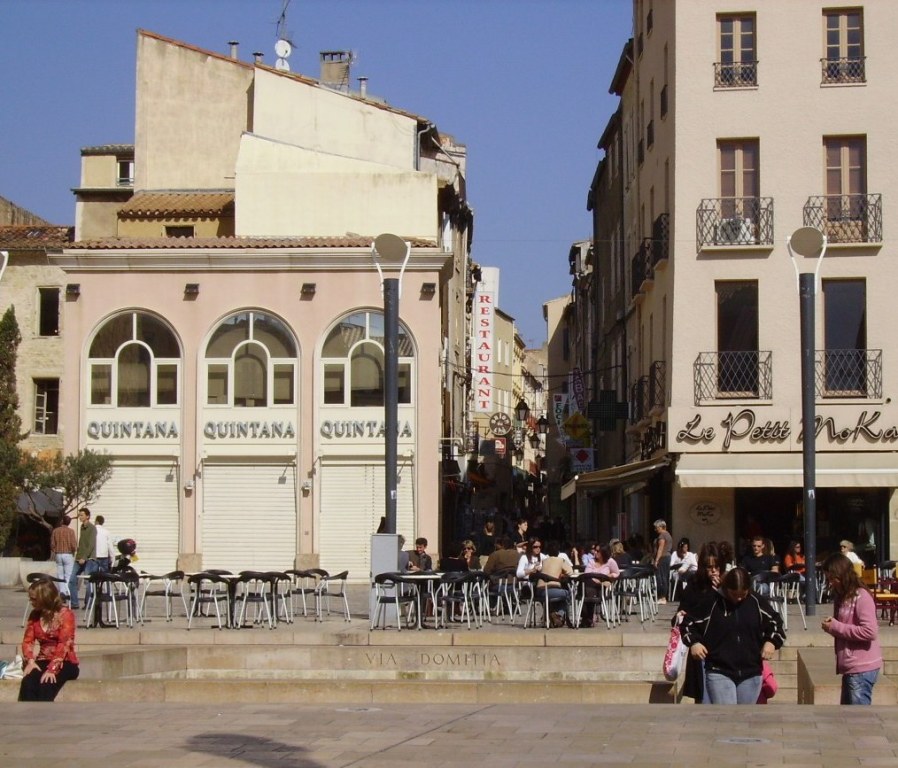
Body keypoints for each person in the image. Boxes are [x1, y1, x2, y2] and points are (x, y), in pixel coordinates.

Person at [681, 566, 786, 705]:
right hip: (719, 670)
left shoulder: (755, 601)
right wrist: (694, 643)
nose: (739, 598)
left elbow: (776, 623)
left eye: (743, 593)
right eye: (734, 594)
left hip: (751, 671)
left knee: (745, 718)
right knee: (727, 717)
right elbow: (688, 623)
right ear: (726, 588)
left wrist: (771, 642)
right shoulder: (712, 602)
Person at [821, 552, 882, 705]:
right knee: (848, 718)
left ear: (842, 575)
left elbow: (870, 631)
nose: (830, 583)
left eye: (832, 578)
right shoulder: (842, 597)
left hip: (861, 668)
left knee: (858, 721)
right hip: (850, 667)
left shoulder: (861, 596)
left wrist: (836, 626)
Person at [675, 541, 727, 703]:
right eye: (709, 567)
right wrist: (679, 616)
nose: (713, 571)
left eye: (716, 567)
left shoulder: (727, 585)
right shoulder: (694, 585)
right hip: (701, 647)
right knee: (705, 695)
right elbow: (682, 612)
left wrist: (722, 591)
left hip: (724, 647)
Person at [19, 579, 80, 701]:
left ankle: (42, 716)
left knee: (46, 684)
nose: (31, 602)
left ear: (44, 598)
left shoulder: (65, 614)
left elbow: (64, 644)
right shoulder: (35, 615)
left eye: (34, 599)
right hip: (43, 659)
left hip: (64, 662)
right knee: (28, 683)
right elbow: (27, 641)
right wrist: (30, 661)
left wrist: (53, 669)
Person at [535, 541, 573, 627]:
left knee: (560, 595)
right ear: (558, 552)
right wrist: (562, 574)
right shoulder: (560, 560)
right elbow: (570, 572)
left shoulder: (544, 561)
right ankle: (559, 614)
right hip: (551, 590)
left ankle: (551, 613)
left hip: (539, 591)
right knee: (568, 594)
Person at [70, 507, 98, 610]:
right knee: (72, 579)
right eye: (79, 515)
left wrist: (85, 557)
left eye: (82, 515)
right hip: (79, 558)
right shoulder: (82, 527)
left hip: (89, 559)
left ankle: (88, 603)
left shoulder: (92, 528)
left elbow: (91, 545)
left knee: (88, 582)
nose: (80, 517)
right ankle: (74, 603)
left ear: (87, 516)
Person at [49, 515, 77, 603]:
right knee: (68, 574)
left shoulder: (55, 531)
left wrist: (55, 550)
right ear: (69, 523)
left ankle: (62, 592)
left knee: (60, 574)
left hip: (58, 554)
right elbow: (73, 545)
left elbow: (52, 544)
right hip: (68, 554)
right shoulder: (71, 531)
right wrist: (73, 550)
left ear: (62, 521)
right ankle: (66, 592)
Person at [652, 520, 673, 605]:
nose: (655, 529)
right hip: (667, 557)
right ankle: (663, 596)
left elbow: (660, 548)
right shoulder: (668, 535)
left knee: (660, 577)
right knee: (664, 576)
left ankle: (662, 596)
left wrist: (656, 560)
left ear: (661, 527)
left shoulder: (662, 536)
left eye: (656, 527)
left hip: (662, 558)